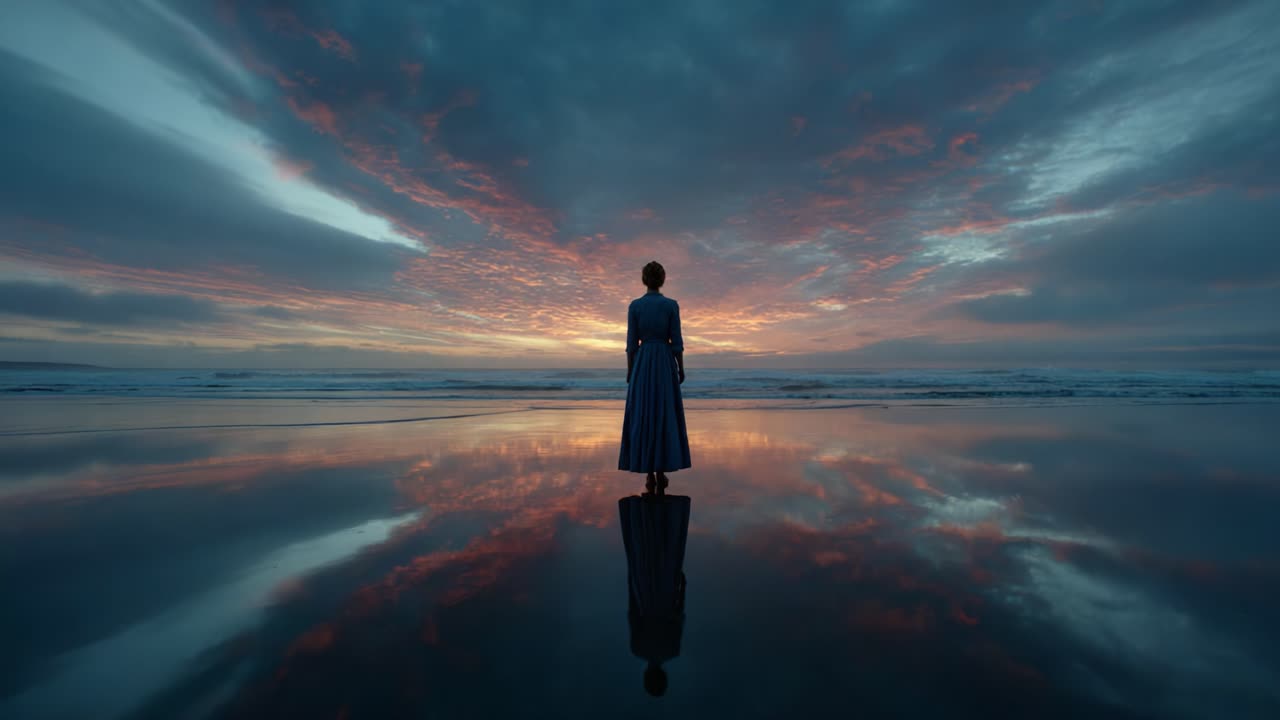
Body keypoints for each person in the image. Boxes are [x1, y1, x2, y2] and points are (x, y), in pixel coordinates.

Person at [618, 261, 692, 494]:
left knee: (644, 413)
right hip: (663, 361)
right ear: (662, 280)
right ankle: (661, 472)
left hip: (643, 361)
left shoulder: (635, 306)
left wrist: (631, 370)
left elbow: (631, 344)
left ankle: (649, 473)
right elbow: (676, 342)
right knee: (663, 412)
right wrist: (680, 368)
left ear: (644, 280)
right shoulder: (671, 305)